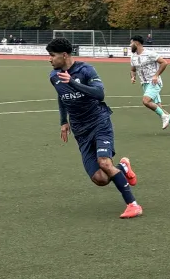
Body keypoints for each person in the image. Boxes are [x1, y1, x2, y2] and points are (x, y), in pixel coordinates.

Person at [47, 37, 141, 218]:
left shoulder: (86, 70)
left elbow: (99, 94)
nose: (49, 59)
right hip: (80, 130)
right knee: (101, 179)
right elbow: (61, 97)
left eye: (52, 55)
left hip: (99, 122)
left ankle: (133, 204)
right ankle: (122, 167)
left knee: (104, 163)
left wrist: (73, 83)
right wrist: (63, 121)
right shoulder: (54, 76)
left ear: (64, 55)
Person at [129, 35, 170, 134]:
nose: (130, 45)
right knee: (158, 108)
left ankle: (164, 117)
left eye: (131, 43)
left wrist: (156, 75)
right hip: (145, 84)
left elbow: (164, 63)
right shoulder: (133, 57)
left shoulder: (149, 54)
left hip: (154, 82)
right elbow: (132, 70)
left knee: (146, 101)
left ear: (136, 43)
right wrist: (133, 77)